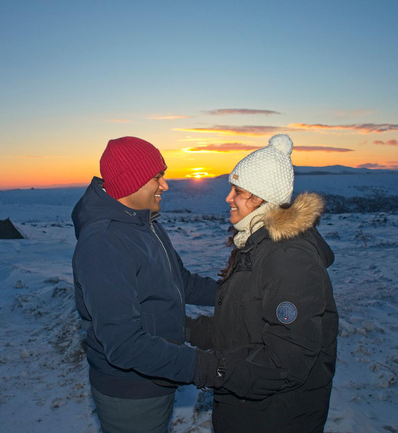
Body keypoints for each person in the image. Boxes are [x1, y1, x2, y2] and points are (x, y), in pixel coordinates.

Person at [71, 136, 290, 433]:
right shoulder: (104, 243)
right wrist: (209, 368)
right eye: (157, 177)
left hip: (159, 369)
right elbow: (123, 345)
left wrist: (240, 295)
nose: (165, 186)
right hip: (132, 389)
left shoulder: (145, 223)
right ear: (131, 183)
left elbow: (181, 282)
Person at [187, 134, 339, 433]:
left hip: (275, 419)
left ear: (260, 198)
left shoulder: (288, 257)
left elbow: (286, 360)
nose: (229, 198)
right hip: (247, 412)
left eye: (237, 190)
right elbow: (241, 327)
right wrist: (187, 329)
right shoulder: (256, 245)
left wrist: (208, 368)